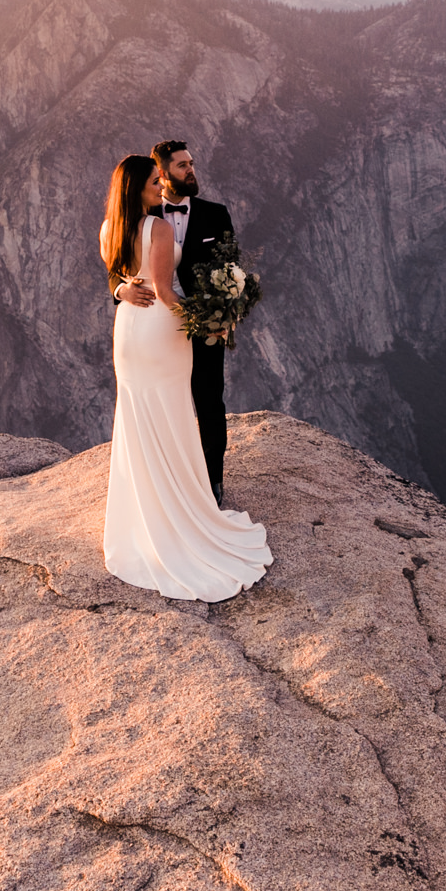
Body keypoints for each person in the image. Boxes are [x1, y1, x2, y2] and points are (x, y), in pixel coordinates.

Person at [98, 152, 271, 601]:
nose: (161, 186)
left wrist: (120, 287)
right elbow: (162, 291)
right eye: (155, 181)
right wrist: (206, 321)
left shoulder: (109, 228)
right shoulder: (155, 227)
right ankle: (181, 512)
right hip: (159, 329)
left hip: (129, 334)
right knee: (172, 412)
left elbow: (118, 276)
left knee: (140, 415)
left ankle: (144, 515)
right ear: (136, 187)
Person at [112, 139, 236, 500]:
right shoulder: (142, 219)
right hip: (161, 328)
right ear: (162, 175)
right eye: (182, 165)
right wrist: (121, 290)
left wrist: (225, 314)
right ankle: (167, 481)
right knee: (167, 401)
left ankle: (211, 481)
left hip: (205, 325)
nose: (191, 170)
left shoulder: (216, 214)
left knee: (210, 400)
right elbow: (116, 267)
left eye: (191, 163)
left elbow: (231, 269)